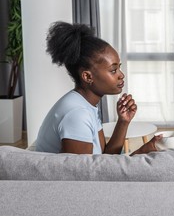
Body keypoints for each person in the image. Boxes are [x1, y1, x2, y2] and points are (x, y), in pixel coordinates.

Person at [35, 21, 161, 155]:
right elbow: (85, 174)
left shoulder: (86, 104)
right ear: (88, 77)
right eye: (113, 70)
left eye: (119, 67)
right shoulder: (77, 115)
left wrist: (123, 121)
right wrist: (139, 153)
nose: (121, 75)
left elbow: (105, 157)